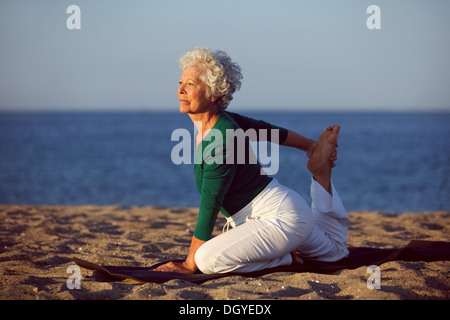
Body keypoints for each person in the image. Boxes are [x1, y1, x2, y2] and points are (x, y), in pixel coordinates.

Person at [154, 47, 349, 274]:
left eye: (191, 84)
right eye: (181, 82)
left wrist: (189, 265)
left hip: (281, 219)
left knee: (205, 260)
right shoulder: (220, 122)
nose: (181, 90)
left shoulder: (223, 138)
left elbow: (210, 204)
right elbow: (267, 131)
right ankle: (321, 175)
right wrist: (310, 146)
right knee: (336, 252)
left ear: (214, 94)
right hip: (281, 214)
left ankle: (285, 258)